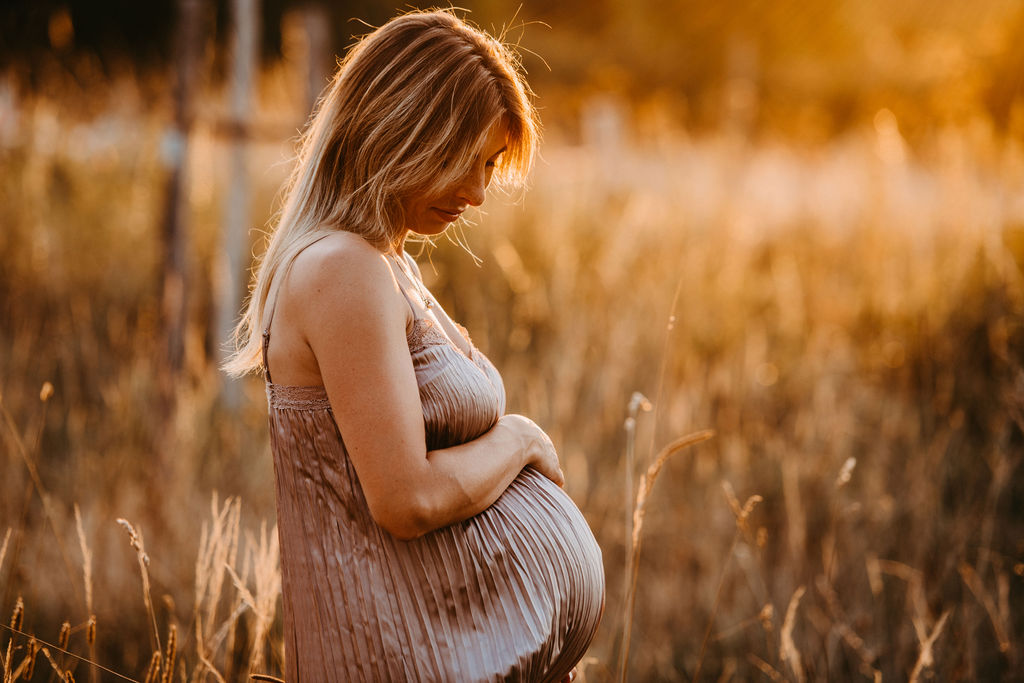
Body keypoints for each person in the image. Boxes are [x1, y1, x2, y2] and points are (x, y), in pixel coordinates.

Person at [225, 9, 604, 681]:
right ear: (401, 129)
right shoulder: (342, 268)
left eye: (490, 166)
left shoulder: (382, 260)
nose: (479, 194)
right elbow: (406, 498)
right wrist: (518, 437)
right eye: (467, 162)